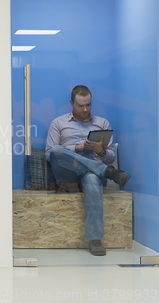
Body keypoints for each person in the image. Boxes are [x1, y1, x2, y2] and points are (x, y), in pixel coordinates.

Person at [45, 85, 131, 256]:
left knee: (92, 178)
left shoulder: (102, 123)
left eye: (88, 105)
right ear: (71, 103)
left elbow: (110, 157)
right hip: (67, 173)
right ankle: (107, 172)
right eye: (80, 105)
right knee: (56, 150)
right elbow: (49, 155)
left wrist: (101, 150)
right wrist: (78, 147)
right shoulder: (58, 123)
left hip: (92, 175)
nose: (85, 109)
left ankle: (95, 240)